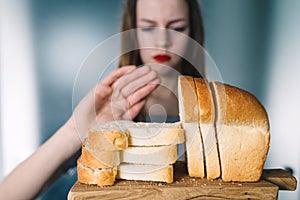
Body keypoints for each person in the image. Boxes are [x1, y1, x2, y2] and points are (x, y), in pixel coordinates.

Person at [0, 0, 205, 199]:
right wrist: (74, 130)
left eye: (177, 28)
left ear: (193, 33)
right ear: (132, 32)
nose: (162, 41)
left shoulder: (210, 111)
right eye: (148, 28)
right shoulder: (111, 104)